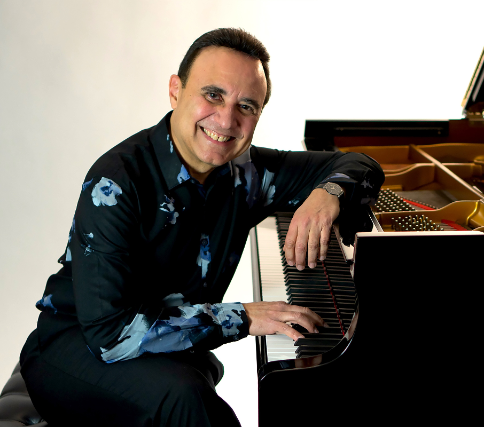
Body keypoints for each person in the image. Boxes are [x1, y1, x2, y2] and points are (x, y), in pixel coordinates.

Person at [19, 28, 383, 426]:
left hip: (163, 356)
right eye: (213, 95)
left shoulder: (247, 174)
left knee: (188, 389)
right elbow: (110, 334)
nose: (226, 120)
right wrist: (242, 317)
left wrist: (328, 194)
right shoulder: (116, 182)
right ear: (175, 91)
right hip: (74, 348)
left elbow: (361, 165)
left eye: (246, 106)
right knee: (185, 398)